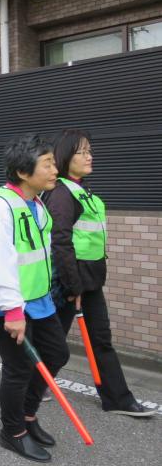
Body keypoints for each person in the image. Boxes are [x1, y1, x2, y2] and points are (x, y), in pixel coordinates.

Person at [0, 133, 69, 463]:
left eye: (54, 162)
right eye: (48, 163)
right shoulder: (0, 207)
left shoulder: (37, 203)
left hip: (39, 300)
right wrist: (12, 310)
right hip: (12, 306)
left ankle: (28, 415)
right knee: (19, 369)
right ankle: (12, 432)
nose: (56, 169)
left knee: (56, 354)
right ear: (24, 172)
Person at [43, 129, 155, 418]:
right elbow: (60, 242)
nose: (89, 156)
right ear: (66, 157)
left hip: (88, 281)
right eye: (81, 152)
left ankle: (116, 398)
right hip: (70, 282)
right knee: (54, 340)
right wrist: (73, 287)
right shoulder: (61, 194)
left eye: (89, 150)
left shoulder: (83, 190)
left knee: (99, 339)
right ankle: (34, 384)